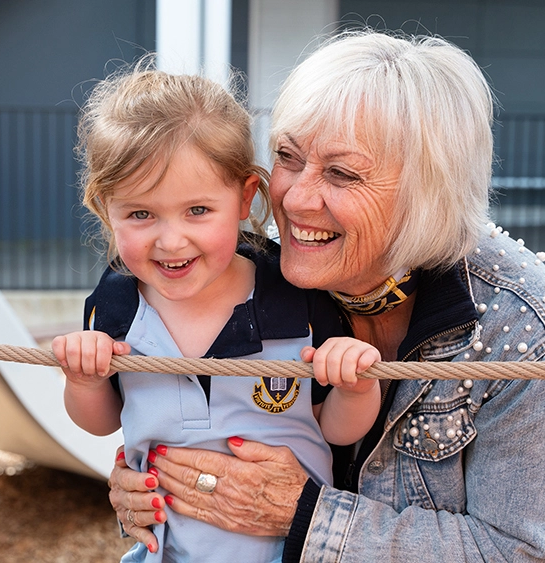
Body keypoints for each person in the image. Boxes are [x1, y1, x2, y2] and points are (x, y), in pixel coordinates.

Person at [106, 30, 545, 563]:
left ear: (425, 193)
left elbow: (524, 554)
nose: (294, 198)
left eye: (341, 173)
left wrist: (305, 516)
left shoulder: (524, 326)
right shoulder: (248, 275)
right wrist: (149, 490)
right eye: (289, 158)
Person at [52, 66, 383, 562]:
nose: (171, 240)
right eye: (140, 214)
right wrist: (83, 379)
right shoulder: (116, 304)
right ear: (106, 208)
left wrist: (357, 383)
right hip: (166, 552)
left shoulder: (293, 296)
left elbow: (335, 428)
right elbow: (103, 422)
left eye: (198, 211)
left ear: (246, 197)